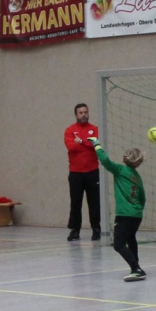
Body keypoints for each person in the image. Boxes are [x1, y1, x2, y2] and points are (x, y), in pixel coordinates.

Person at [88, 138, 146, 282]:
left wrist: (96, 144)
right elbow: (142, 198)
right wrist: (137, 210)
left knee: (118, 244)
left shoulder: (120, 170)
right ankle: (136, 266)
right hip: (136, 215)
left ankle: (136, 269)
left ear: (125, 158)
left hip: (124, 215)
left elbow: (105, 161)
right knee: (131, 239)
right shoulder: (137, 177)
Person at [64, 103, 101, 241]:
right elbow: (71, 147)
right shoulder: (70, 130)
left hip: (92, 172)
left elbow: (95, 144)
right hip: (76, 173)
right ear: (76, 114)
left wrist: (80, 141)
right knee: (75, 203)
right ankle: (75, 230)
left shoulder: (94, 129)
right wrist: (86, 144)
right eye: (81, 113)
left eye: (85, 112)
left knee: (94, 202)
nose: (83, 115)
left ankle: (96, 229)